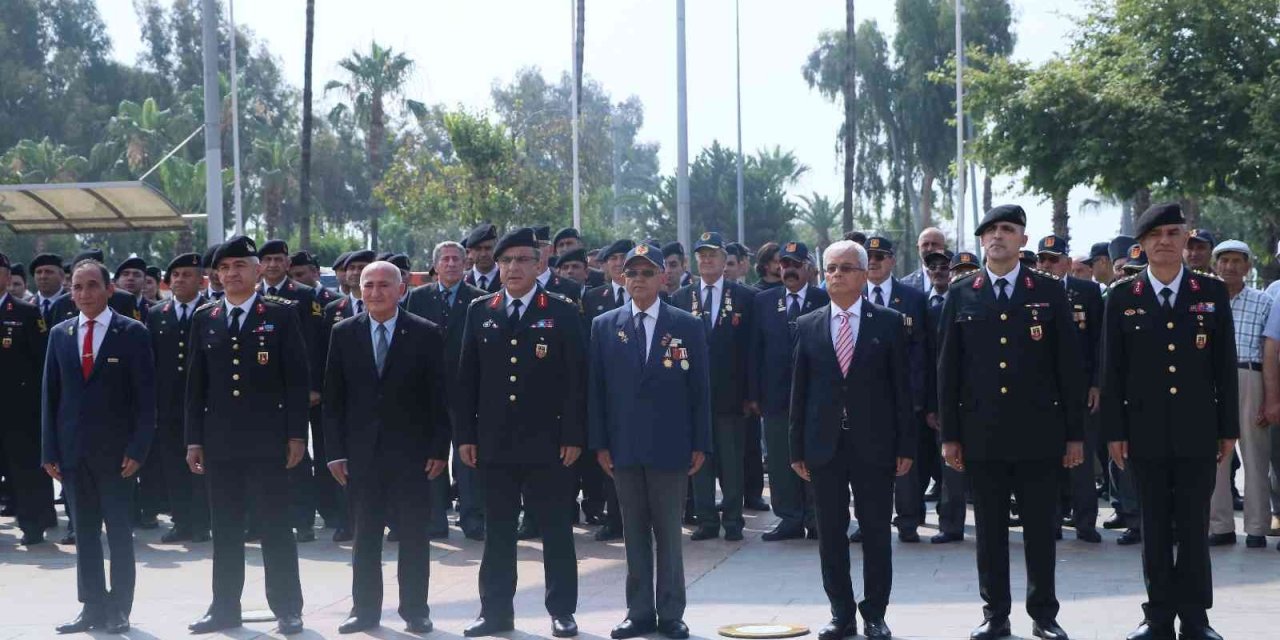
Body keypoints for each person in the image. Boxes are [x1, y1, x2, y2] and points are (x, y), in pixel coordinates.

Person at [938, 204, 1084, 640]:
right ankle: (995, 614)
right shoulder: (962, 292)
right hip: (982, 434)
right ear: (982, 241)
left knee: (1041, 529)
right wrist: (950, 436)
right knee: (989, 531)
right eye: (991, 231)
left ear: (1023, 239)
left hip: (1039, 433)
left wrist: (1074, 434)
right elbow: (947, 370)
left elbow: (1070, 369)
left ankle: (1043, 614)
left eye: (1008, 229)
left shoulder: (1049, 290)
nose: (998, 236)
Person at [1102, 203, 1236, 640]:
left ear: (1186, 240)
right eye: (1155, 234)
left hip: (1198, 431)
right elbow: (1112, 372)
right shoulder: (1123, 297)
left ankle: (1196, 618)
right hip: (1144, 433)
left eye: (1173, 233)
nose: (1164, 241)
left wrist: (1227, 429)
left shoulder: (1209, 293)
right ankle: (1157, 616)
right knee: (1155, 527)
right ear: (1141, 245)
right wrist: (1115, 432)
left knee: (1194, 528)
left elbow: (1224, 369)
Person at [455, 227, 585, 638]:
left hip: (549, 442)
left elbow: (576, 380)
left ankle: (561, 610)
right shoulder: (481, 310)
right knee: (498, 533)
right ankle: (494, 612)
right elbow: (466, 381)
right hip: (495, 443)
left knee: (556, 530)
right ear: (498, 265)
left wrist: (574, 435)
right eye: (506, 261)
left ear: (539, 263)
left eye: (523, 260)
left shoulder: (562, 309)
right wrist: (466, 437)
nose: (514, 268)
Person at [184, 236, 309, 635]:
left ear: (258, 271)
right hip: (220, 442)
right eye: (224, 268)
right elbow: (194, 386)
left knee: (275, 526)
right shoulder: (205, 317)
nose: (231, 273)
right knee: (225, 529)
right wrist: (193, 439)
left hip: (268, 440)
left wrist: (296, 435)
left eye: (240, 266)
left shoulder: (281, 314)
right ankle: (224, 608)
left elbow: (295, 380)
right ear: (216, 276)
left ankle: (288, 608)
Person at [789, 239, 912, 640]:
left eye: (845, 268)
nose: (836, 275)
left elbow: (901, 391)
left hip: (875, 445)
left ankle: (875, 613)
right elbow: (799, 393)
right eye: (830, 268)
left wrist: (906, 446)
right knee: (831, 534)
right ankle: (841, 612)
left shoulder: (889, 322)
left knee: (876, 532)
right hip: (824, 446)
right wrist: (796, 449)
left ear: (863, 274)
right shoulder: (808, 325)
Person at [589, 242, 710, 640]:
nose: (638, 279)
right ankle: (638, 612)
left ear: (663, 277)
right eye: (631, 273)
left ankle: (671, 613)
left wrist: (700, 442)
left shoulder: (686, 325)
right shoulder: (605, 325)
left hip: (671, 446)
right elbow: (597, 390)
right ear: (621, 278)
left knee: (669, 533)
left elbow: (699, 389)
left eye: (646, 272)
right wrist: (600, 443)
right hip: (623, 447)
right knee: (634, 531)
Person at [323, 261, 449, 635]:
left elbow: (439, 397)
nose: (375, 292)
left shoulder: (425, 333)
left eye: (383, 285)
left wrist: (439, 449)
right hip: (361, 456)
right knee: (365, 538)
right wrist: (335, 451)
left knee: (413, 536)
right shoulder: (343, 333)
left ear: (401, 290)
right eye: (368, 285)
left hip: (412, 454)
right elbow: (333, 399)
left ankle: (415, 611)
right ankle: (364, 611)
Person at [41, 259, 155, 634]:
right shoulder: (59, 333)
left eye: (92, 286)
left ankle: (119, 607)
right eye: (77, 287)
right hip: (73, 454)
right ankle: (91, 606)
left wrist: (138, 449)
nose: (84, 294)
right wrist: (49, 451)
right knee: (85, 534)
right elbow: (50, 397)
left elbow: (145, 400)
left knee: (119, 533)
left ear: (109, 290)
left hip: (118, 456)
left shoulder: (132, 332)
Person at [672, 232, 756, 541]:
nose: (707, 259)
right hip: (692, 398)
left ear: (724, 259)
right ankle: (706, 520)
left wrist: (751, 394)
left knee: (732, 462)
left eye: (713, 254)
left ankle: (733, 521)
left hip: (731, 397)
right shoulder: (681, 298)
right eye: (701, 255)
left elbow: (752, 350)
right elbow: (674, 348)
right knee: (699, 461)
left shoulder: (745, 297)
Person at [406, 240, 489, 541]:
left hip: (465, 389)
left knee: (468, 456)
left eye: (457, 259)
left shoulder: (479, 300)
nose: (452, 264)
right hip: (427, 390)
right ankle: (434, 518)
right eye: (446, 259)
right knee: (431, 456)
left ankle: (472, 517)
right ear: (436, 265)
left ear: (465, 264)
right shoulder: (417, 297)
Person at [748, 242, 828, 541]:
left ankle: (816, 517)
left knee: (814, 458)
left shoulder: (824, 298)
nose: (789, 269)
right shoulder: (764, 302)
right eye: (784, 264)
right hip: (776, 397)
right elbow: (754, 351)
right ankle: (789, 518)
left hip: (815, 396)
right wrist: (754, 393)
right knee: (781, 461)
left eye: (795, 263)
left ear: (808, 266)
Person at [855, 235, 928, 544]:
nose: (874, 261)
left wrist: (920, 396)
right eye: (868, 257)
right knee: (864, 464)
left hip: (903, 395)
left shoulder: (912, 298)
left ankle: (909, 520)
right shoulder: (851, 294)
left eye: (881, 256)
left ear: (893, 260)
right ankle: (867, 521)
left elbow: (923, 351)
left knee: (906, 463)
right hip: (863, 396)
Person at [1035, 235, 1105, 543]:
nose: (1047, 265)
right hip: (1043, 390)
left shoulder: (1087, 291)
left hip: (1079, 388)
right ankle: (1050, 520)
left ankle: (1085, 522)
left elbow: (1100, 342)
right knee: (1048, 457)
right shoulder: (1029, 289)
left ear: (1066, 261)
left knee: (1082, 457)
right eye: (1042, 259)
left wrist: (1096, 384)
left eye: (1053, 259)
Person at [1210, 240, 1272, 549]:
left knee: (1254, 453)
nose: (1230, 266)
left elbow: (1270, 351)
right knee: (1215, 454)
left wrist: (1270, 397)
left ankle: (1258, 527)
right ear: (1215, 265)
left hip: (1250, 374)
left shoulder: (1263, 301)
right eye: (1225, 260)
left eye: (1237, 261)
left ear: (1248, 267)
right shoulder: (1204, 299)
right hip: (1211, 380)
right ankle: (1220, 526)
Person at [146, 253, 211, 544]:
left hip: (207, 404)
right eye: (176, 275)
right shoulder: (157, 313)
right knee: (174, 465)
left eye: (187, 274)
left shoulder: (214, 311)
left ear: (202, 280)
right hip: (169, 405)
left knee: (206, 466)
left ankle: (204, 522)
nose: (181, 280)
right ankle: (182, 521)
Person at [582, 238, 637, 541]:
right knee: (607, 460)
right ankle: (613, 519)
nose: (618, 263)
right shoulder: (593, 298)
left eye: (623, 258)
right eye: (612, 258)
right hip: (606, 388)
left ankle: (635, 519)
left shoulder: (650, 294)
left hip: (638, 389)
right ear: (603, 265)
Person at [0, 252, 54, 546]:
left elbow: (41, 362)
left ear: (8, 277)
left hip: (18, 409)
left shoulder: (25, 312)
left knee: (24, 470)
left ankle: (33, 525)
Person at [927, 250, 968, 544]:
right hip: (948, 399)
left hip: (984, 400)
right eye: (936, 267)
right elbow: (932, 363)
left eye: (949, 268)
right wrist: (933, 405)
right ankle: (951, 523)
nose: (943, 272)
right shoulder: (929, 307)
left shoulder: (979, 303)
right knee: (950, 467)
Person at [901, 227, 947, 293]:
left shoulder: (955, 281)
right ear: (918, 248)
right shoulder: (905, 284)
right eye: (925, 244)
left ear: (944, 248)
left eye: (934, 244)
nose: (929, 249)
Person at [464, 223, 502, 294]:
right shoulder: (461, 281)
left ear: (497, 249)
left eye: (488, 248)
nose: (483, 254)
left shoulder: (507, 279)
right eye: (478, 249)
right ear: (469, 252)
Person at [30, 253, 66, 325]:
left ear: (61, 275)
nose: (43, 277)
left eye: (49, 272)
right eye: (38, 272)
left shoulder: (73, 303)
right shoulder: (26, 304)